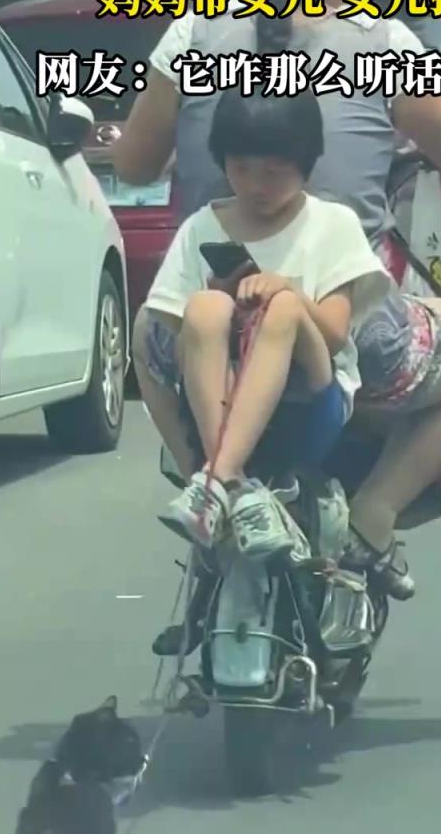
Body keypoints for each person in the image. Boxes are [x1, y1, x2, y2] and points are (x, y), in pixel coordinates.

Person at [120, 0, 441, 599]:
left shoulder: (192, 30)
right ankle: (376, 512)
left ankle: (203, 480)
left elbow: (133, 162)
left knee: (149, 334)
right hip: (347, 337)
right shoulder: (380, 38)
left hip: (194, 333)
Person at [142, 85, 389, 562]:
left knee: (283, 309)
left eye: (273, 173)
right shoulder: (201, 227)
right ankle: (229, 482)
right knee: (205, 307)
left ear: (305, 165)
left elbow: (335, 335)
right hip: (218, 402)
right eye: (241, 170)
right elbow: (172, 332)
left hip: (308, 403)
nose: (256, 186)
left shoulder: (332, 224)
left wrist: (284, 292)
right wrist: (222, 301)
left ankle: (217, 480)